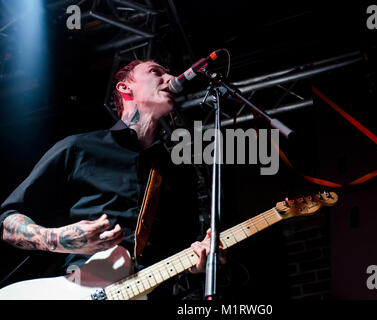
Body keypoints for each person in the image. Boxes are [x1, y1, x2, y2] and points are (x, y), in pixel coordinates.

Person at [0, 59, 221, 300]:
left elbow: (181, 257)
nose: (169, 79)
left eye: (168, 74)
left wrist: (199, 261)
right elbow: (7, 223)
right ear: (125, 88)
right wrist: (60, 239)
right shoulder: (78, 149)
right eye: (156, 72)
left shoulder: (178, 173)